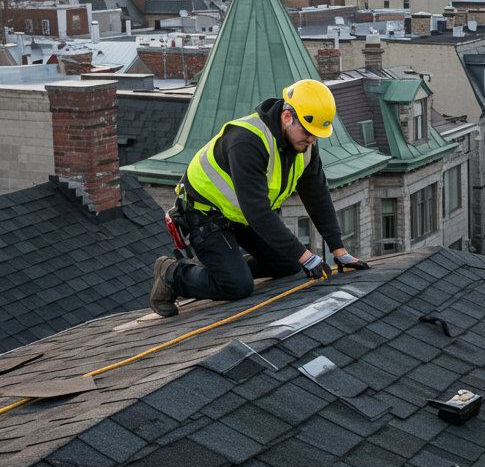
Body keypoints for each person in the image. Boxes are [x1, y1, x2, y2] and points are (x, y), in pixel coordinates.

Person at [150, 79, 368, 317]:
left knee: (290, 264)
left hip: (241, 214)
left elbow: (317, 195)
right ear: (287, 116)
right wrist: (309, 258)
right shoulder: (248, 140)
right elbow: (258, 211)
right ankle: (171, 273)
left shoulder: (304, 146)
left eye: (317, 135)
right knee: (237, 286)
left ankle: (224, 264)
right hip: (204, 213)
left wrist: (339, 250)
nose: (312, 140)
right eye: (308, 132)